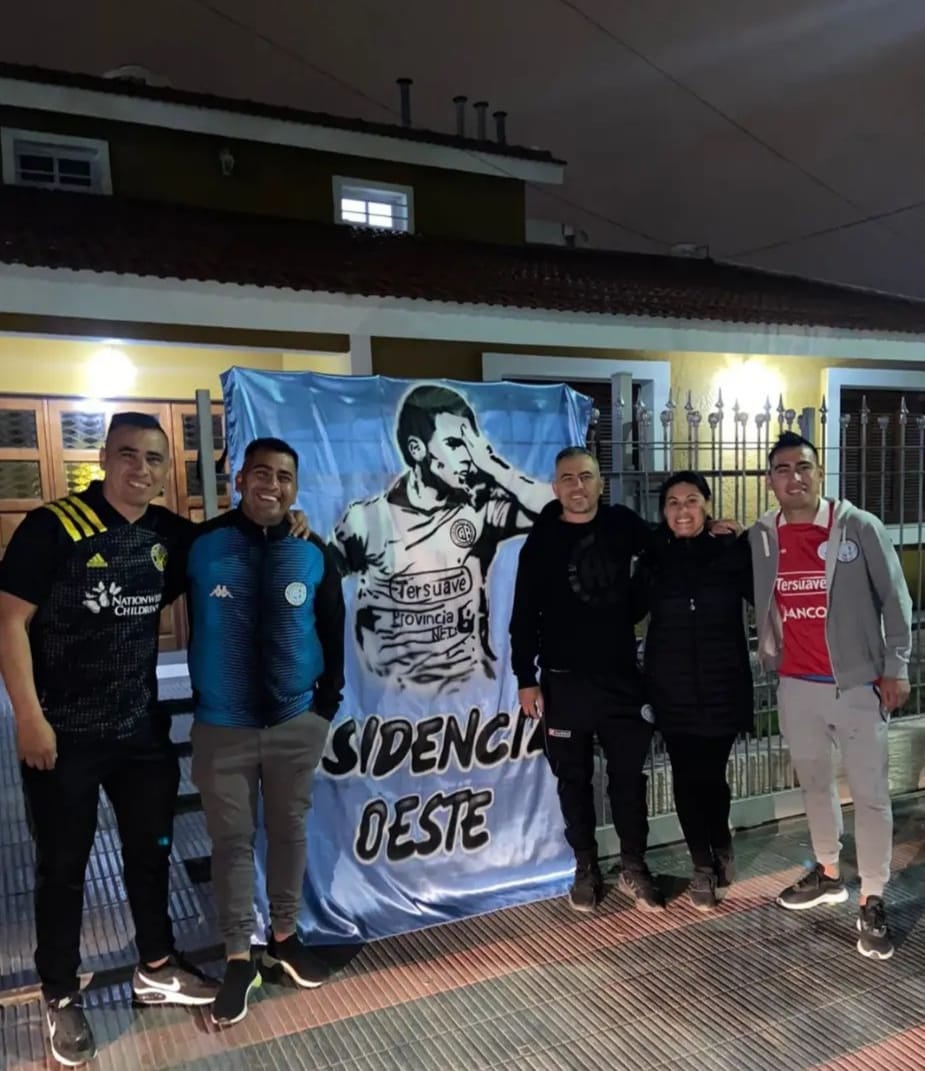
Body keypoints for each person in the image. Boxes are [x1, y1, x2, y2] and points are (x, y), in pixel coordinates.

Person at [0, 412, 218, 1069]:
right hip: (61, 735)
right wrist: (27, 717)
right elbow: (10, 620)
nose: (142, 469)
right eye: (128, 455)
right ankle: (60, 992)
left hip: (140, 733)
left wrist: (287, 525)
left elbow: (233, 543)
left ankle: (156, 964)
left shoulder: (168, 534)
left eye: (154, 459)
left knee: (150, 852)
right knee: (63, 869)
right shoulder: (54, 526)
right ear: (103, 457)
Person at [186, 436, 345, 1027]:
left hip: (293, 724)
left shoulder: (314, 553)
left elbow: (334, 633)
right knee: (231, 845)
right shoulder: (202, 546)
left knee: (288, 833)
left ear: (295, 488)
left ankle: (283, 938)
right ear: (240, 479)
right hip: (221, 730)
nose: (271, 485)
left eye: (283, 476)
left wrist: (323, 710)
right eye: (260, 473)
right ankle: (236, 956)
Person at [749, 431, 912, 960]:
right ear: (769, 479)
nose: (793, 478)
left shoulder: (857, 527)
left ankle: (872, 896)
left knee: (870, 795)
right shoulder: (761, 536)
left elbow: (895, 599)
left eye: (803, 467)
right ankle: (826, 872)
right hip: (797, 686)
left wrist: (896, 667)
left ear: (818, 472)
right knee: (815, 786)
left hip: (858, 687)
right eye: (782, 470)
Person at [509, 446, 664, 912]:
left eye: (587, 477)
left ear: (601, 483)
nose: (578, 487)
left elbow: (668, 546)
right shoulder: (540, 541)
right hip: (563, 681)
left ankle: (634, 865)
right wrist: (525, 677)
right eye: (568, 478)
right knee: (572, 780)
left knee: (627, 779)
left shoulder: (622, 524)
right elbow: (523, 616)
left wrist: (715, 533)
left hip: (620, 679)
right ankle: (586, 866)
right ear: (556, 487)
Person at [333, 384, 550, 696]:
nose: (468, 456)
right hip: (388, 702)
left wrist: (490, 461)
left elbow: (554, 513)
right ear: (417, 449)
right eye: (454, 443)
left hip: (472, 696)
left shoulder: (482, 507)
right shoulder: (366, 519)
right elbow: (319, 585)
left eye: (471, 443)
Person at [632, 471, 754, 909]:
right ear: (662, 511)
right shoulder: (653, 557)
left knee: (713, 778)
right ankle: (702, 865)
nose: (682, 510)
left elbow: (765, 591)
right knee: (686, 778)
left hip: (723, 682)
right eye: (672, 503)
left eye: (691, 501)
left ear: (706, 506)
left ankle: (721, 842)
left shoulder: (729, 551)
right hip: (672, 686)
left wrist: (745, 536)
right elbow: (630, 607)